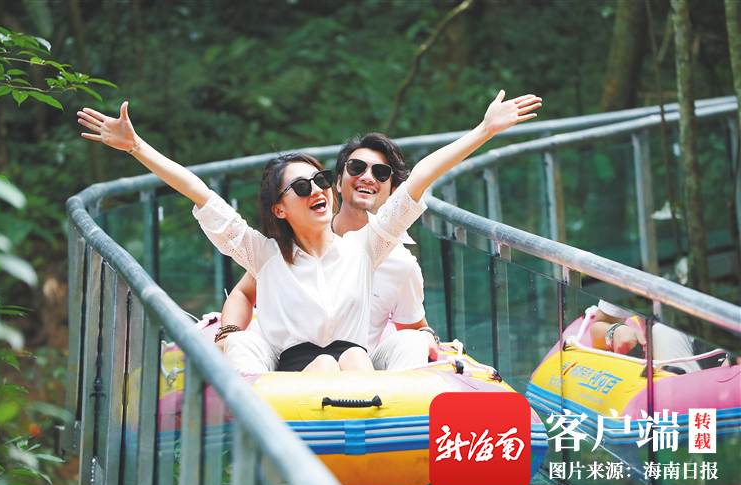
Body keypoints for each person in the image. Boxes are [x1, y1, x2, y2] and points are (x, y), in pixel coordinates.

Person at [77, 90, 541, 372]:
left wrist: (483, 131)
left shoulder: (366, 247)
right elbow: (201, 195)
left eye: (319, 180)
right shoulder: (264, 254)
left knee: (358, 357)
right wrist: (137, 148)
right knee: (308, 360)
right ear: (279, 209)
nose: (317, 189)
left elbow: (418, 179)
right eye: (302, 187)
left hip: (357, 364)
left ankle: (388, 439)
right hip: (295, 371)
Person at [217, 133, 438, 373]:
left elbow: (414, 326)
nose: (367, 177)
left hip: (362, 365)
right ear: (338, 182)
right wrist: (228, 333)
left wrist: (426, 335)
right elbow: (245, 291)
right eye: (357, 167)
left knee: (365, 354)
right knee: (322, 364)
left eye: (381, 173)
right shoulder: (299, 239)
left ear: (395, 192)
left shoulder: (400, 264)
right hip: (298, 367)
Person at [590, 299, 699, 373]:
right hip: (664, 377)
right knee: (663, 331)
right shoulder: (631, 274)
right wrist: (614, 331)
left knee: (664, 331)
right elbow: (597, 329)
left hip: (703, 361)